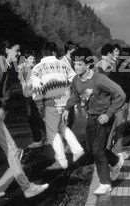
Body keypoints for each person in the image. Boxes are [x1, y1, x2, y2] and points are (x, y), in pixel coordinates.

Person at [0, 40, 48, 200]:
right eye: (15, 51)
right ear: (6, 50)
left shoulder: (2, 65)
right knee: (12, 150)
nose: (18, 54)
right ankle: (27, 187)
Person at [67, 47, 126, 195]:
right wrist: (67, 108)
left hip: (104, 118)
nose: (76, 67)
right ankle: (115, 161)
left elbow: (120, 94)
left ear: (88, 65)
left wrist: (108, 113)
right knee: (91, 149)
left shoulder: (99, 79)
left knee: (98, 150)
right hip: (91, 117)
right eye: (75, 64)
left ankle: (105, 183)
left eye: (80, 64)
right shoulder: (76, 80)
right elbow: (75, 96)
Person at [30, 42, 84, 170]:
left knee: (52, 133)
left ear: (42, 54)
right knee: (62, 127)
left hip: (50, 103)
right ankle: (77, 149)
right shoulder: (63, 65)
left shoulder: (37, 68)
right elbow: (75, 79)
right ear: (54, 52)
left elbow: (36, 90)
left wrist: (39, 107)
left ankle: (61, 161)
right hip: (65, 101)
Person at [107, 46, 130, 152]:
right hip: (123, 102)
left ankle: (106, 148)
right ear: (129, 57)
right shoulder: (127, 70)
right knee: (120, 127)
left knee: (111, 126)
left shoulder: (113, 69)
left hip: (112, 101)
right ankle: (116, 152)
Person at [17, 50, 45, 148]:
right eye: (30, 58)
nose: (33, 60)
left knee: (39, 118)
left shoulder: (37, 70)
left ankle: (42, 138)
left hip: (38, 97)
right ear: (26, 60)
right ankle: (38, 139)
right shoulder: (23, 70)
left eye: (33, 58)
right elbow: (23, 84)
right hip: (28, 98)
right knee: (32, 118)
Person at [60, 40, 78, 128]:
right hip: (63, 97)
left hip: (72, 96)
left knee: (71, 121)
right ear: (71, 50)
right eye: (76, 50)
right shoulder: (61, 63)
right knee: (65, 122)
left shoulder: (73, 62)